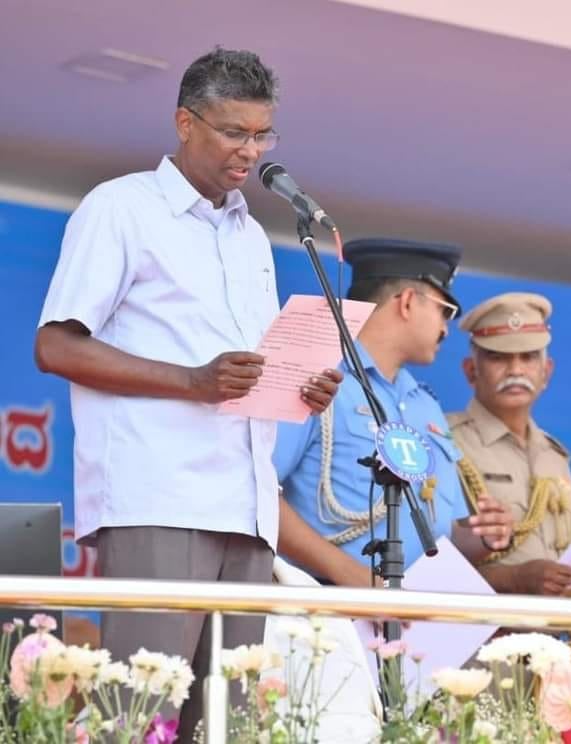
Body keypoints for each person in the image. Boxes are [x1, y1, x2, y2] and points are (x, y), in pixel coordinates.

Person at [34, 48, 342, 741]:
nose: (250, 151)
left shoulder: (251, 236)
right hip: (160, 498)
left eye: (262, 135)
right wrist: (193, 381)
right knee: (138, 717)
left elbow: (244, 370)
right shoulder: (121, 207)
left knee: (229, 726)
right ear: (184, 122)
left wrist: (300, 385)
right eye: (234, 132)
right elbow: (55, 346)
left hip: (247, 507)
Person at [273, 239, 513, 589]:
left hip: (410, 606)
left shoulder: (424, 404)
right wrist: (348, 574)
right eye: (445, 310)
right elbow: (256, 491)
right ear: (408, 302)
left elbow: (438, 536)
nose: (446, 329)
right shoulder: (316, 377)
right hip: (326, 602)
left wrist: (485, 537)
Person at [448, 292, 571, 598]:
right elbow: (423, 559)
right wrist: (514, 579)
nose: (516, 370)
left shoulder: (554, 456)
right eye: (499, 357)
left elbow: (570, 573)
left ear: (546, 371)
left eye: (528, 357)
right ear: (471, 371)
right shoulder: (445, 441)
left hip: (558, 627)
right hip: (482, 626)